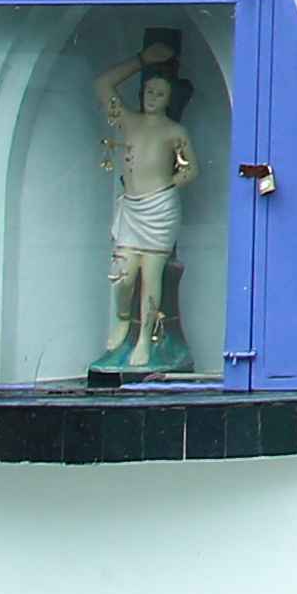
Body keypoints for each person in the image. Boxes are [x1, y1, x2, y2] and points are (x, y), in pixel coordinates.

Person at [95, 36, 203, 377]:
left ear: (170, 97)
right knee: (123, 275)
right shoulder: (128, 121)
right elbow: (102, 84)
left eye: (160, 93)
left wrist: (170, 183)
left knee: (151, 274)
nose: (153, 98)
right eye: (149, 92)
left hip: (159, 208)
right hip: (131, 207)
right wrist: (141, 59)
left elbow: (190, 168)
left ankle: (145, 337)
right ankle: (123, 321)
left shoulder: (175, 131)